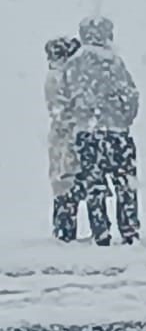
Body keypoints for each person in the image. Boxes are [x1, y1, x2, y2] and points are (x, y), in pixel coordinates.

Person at [57, 16, 142, 246]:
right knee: (125, 183)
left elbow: (64, 102)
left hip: (87, 134)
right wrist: (123, 119)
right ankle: (129, 229)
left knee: (95, 185)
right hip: (117, 133)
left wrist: (79, 121)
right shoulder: (115, 62)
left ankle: (101, 231)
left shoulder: (73, 64)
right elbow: (131, 96)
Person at [45, 37, 83, 242]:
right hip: (66, 136)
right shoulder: (60, 77)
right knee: (66, 182)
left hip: (62, 138)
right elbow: (61, 111)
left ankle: (63, 229)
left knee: (64, 183)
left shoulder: (56, 76)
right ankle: (65, 230)